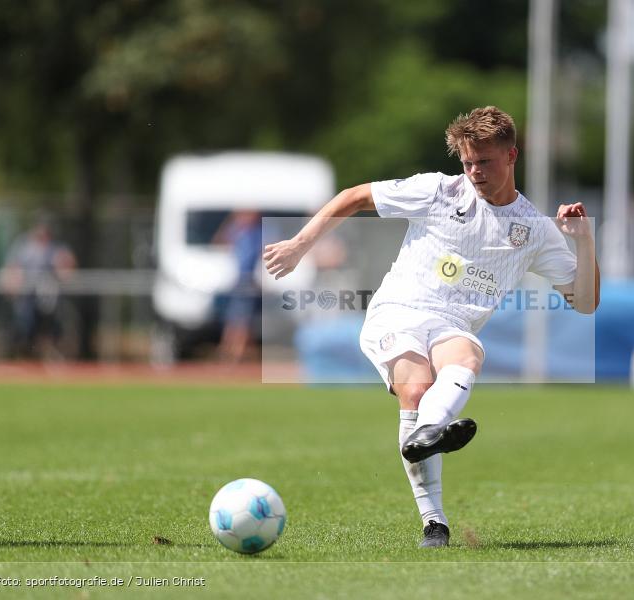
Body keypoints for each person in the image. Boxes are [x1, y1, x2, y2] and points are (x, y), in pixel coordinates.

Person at [263, 106, 600, 547]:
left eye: (485, 161)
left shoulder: (534, 229)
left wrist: (583, 239)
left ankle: (429, 441)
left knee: (468, 354)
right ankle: (433, 518)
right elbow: (354, 195)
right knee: (418, 389)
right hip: (396, 311)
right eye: (468, 162)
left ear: (512, 155)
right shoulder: (437, 191)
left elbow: (586, 301)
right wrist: (299, 244)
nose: (475, 171)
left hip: (452, 323)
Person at [1, 213, 77, 358]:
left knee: (53, 324)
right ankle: (24, 352)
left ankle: (47, 351)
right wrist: (12, 282)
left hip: (48, 297)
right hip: (26, 296)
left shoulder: (56, 247)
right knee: (24, 324)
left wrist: (63, 268)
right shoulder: (23, 245)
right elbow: (11, 268)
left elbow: (68, 266)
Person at [213, 210, 262, 363]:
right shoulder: (237, 231)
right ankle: (232, 355)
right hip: (238, 282)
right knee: (236, 321)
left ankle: (234, 357)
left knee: (241, 322)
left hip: (248, 281)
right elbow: (218, 242)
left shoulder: (258, 233)